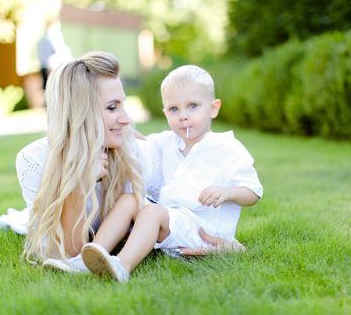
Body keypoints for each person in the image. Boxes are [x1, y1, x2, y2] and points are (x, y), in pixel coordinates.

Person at [80, 65, 263, 282]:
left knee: (153, 212)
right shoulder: (167, 142)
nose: (183, 116)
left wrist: (228, 192)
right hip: (173, 220)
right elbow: (138, 141)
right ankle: (88, 257)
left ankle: (123, 265)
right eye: (174, 109)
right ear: (166, 113)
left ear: (213, 108)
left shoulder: (227, 147)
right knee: (130, 200)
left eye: (192, 106)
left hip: (203, 232)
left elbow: (253, 191)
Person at [17, 51, 145, 272]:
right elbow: (68, 254)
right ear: (80, 112)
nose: (126, 119)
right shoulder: (34, 160)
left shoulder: (130, 150)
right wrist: (80, 181)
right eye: (112, 107)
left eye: (123, 104)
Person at [37, 19, 71, 89]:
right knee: (52, 88)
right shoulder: (52, 38)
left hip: (44, 66)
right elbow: (59, 51)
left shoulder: (42, 39)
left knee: (46, 89)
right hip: (51, 67)